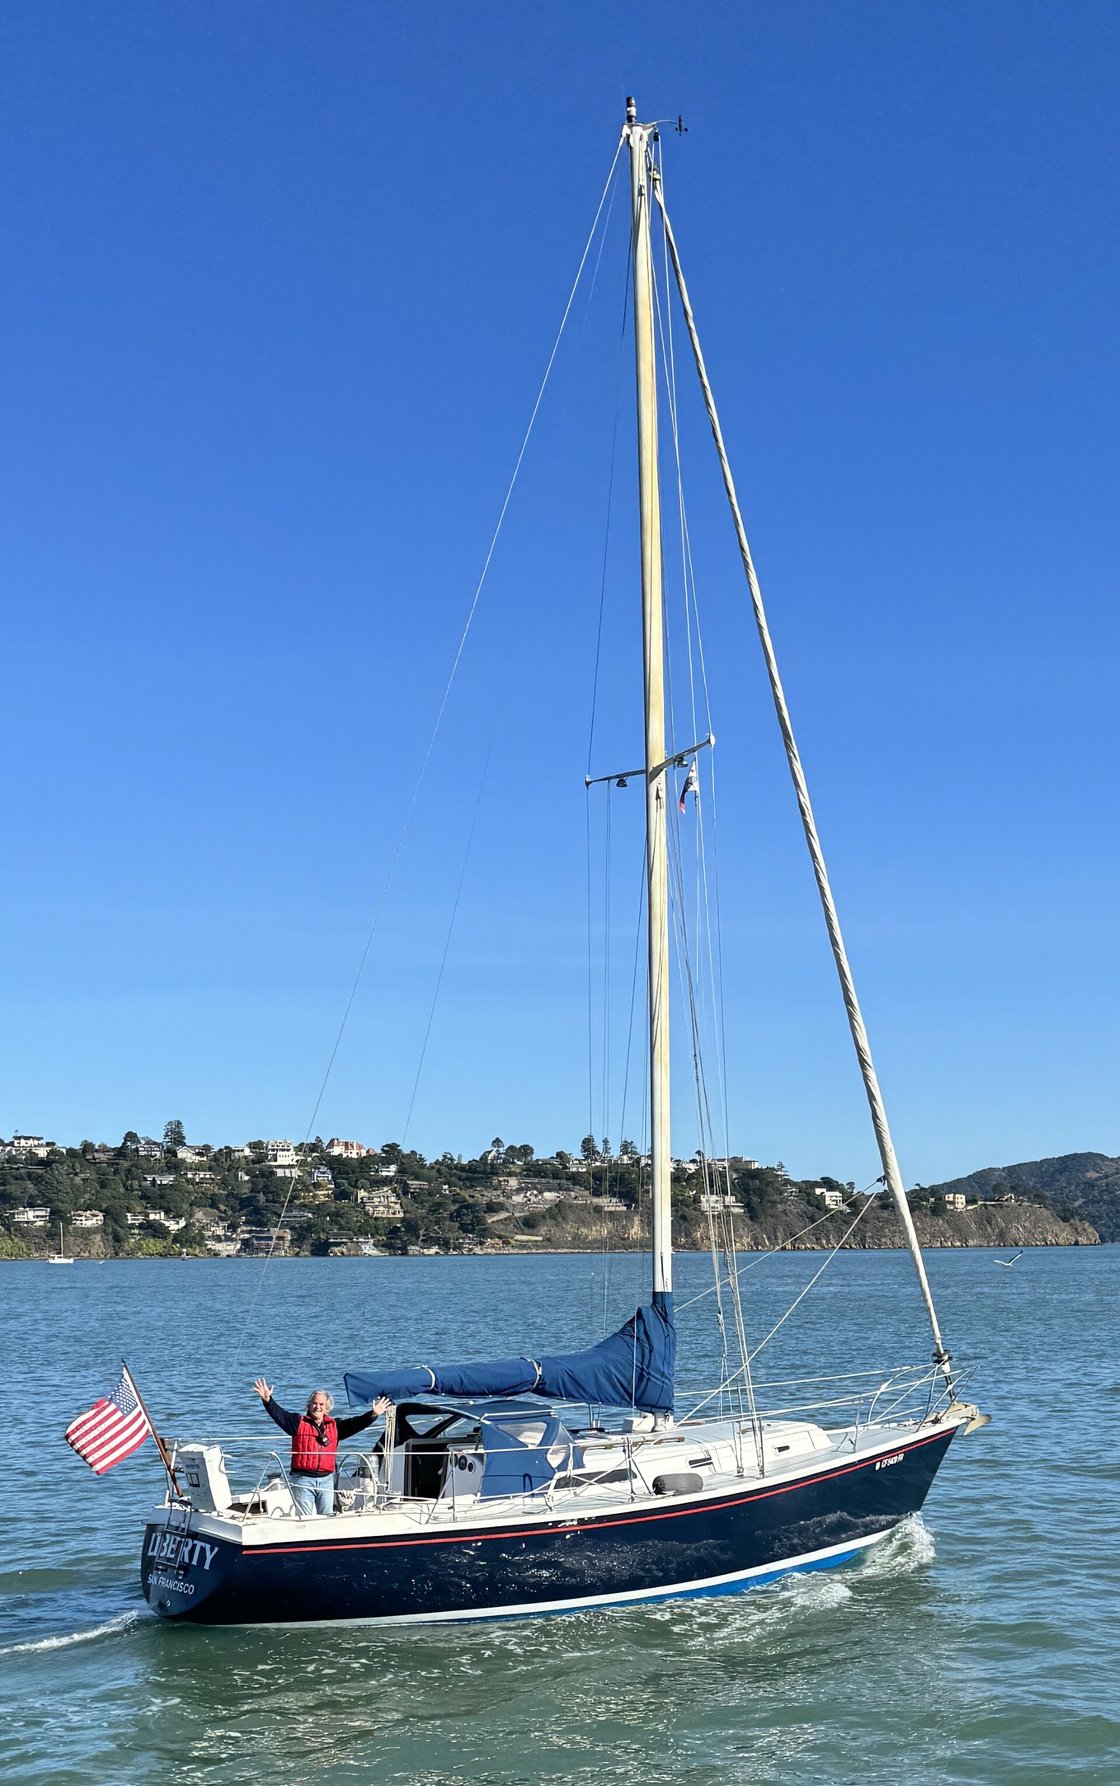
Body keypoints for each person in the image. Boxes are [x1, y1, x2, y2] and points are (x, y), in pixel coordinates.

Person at [253, 1379, 392, 1517]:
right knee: (306, 1520)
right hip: (302, 1480)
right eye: (314, 1403)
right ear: (309, 1405)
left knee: (326, 1519)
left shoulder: (335, 1426)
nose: (317, 1407)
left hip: (326, 1480)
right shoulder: (297, 1422)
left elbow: (356, 1424)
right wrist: (268, 1400)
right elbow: (280, 1415)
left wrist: (373, 1414)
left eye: (321, 1404)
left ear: (327, 1407)